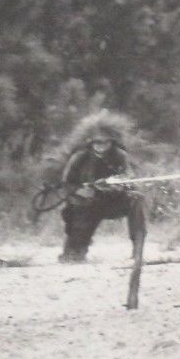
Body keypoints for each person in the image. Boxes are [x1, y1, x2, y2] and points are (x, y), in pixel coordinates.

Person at [56, 110, 144, 264]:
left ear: (111, 142)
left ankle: (138, 251)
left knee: (136, 199)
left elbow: (129, 177)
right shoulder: (80, 157)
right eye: (96, 142)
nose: (100, 146)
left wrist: (117, 183)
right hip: (87, 205)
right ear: (90, 142)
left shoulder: (120, 156)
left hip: (113, 202)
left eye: (104, 142)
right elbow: (66, 183)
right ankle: (74, 251)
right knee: (72, 257)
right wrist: (79, 191)